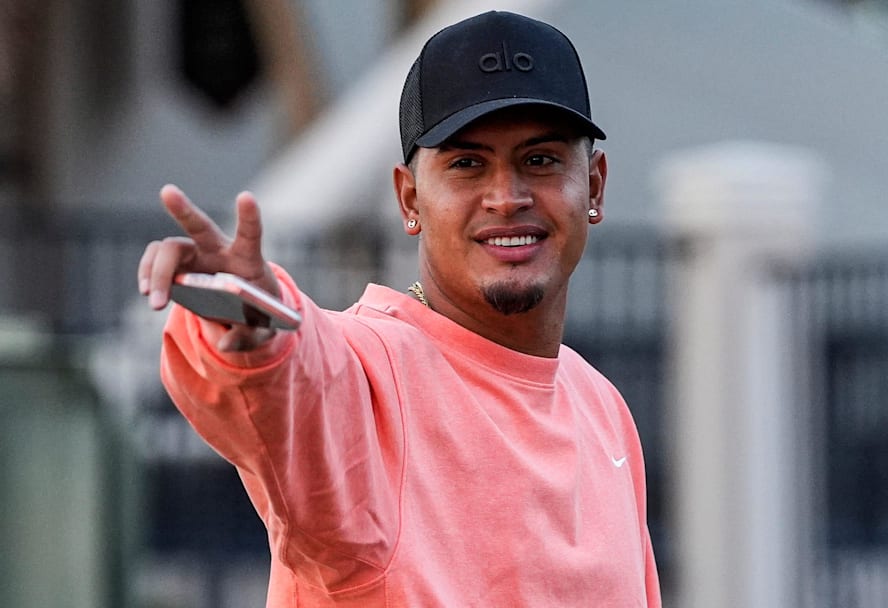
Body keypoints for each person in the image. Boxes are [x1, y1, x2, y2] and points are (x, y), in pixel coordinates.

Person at [138, 10, 661, 607]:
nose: (507, 197)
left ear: (593, 185)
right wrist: (249, 321)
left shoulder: (603, 407)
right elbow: (294, 379)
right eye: (467, 164)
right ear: (410, 198)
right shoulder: (369, 378)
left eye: (539, 160)